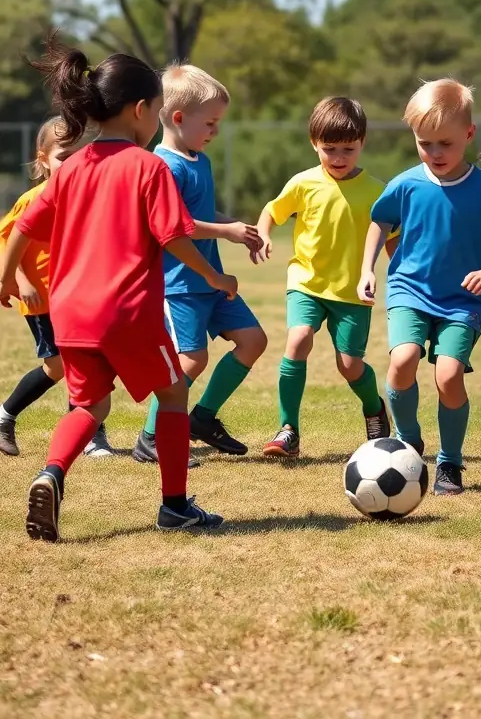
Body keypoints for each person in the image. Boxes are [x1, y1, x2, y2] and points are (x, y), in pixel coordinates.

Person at [0, 35, 232, 541]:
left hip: (71, 314)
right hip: (125, 313)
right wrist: (215, 277)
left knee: (89, 406)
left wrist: (4, 277)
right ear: (142, 111)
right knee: (173, 395)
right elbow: (172, 236)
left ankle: (51, 473)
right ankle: (174, 506)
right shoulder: (148, 166)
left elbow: (21, 225)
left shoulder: (71, 169)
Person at [358, 79, 481, 495]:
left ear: (469, 134)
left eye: (445, 144)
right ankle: (408, 440)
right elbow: (380, 221)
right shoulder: (406, 183)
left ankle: (450, 462)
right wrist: (367, 269)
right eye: (424, 143)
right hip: (409, 291)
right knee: (403, 361)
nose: (434, 153)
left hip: (460, 302)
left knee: (449, 376)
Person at [131, 65, 266, 464]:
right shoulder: (164, 167)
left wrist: (237, 226)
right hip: (180, 285)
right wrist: (225, 233)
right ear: (177, 118)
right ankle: (150, 437)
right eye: (210, 122)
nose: (215, 131)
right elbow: (175, 228)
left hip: (211, 282)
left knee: (253, 341)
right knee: (191, 359)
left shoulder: (198, 159)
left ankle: (202, 418)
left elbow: (200, 212)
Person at [257, 96, 391, 458]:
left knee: (349, 366)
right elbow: (272, 210)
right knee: (298, 339)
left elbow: (393, 240)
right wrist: (265, 232)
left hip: (351, 293)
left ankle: (374, 407)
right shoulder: (303, 183)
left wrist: (398, 278)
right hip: (306, 283)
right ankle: (288, 430)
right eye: (328, 149)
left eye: (348, 148)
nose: (338, 157)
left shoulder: (378, 192)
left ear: (363, 142)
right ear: (313, 143)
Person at [0, 117, 114, 458]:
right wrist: (21, 280)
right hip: (43, 299)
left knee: (89, 362)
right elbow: (7, 242)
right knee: (59, 367)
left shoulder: (88, 198)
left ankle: (92, 434)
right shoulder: (33, 198)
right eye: (64, 156)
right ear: (43, 158)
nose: (72, 164)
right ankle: (5, 416)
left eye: (81, 155)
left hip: (79, 299)